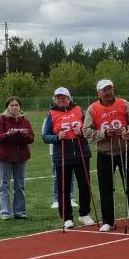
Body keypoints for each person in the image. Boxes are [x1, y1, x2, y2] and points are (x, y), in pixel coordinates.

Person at [84, 77, 129, 232]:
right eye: (105, 90)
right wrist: (103, 133)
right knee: (105, 187)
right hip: (104, 153)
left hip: (124, 150)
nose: (109, 92)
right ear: (99, 93)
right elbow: (86, 131)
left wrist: (126, 130)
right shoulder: (92, 108)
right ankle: (108, 220)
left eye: (110, 89)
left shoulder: (123, 103)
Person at [42, 87, 95, 230]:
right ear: (55, 99)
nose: (61, 100)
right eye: (58, 97)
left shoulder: (79, 110)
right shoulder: (51, 114)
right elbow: (45, 136)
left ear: (69, 98)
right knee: (63, 187)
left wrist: (82, 131)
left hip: (81, 153)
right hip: (62, 155)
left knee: (84, 185)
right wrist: (57, 137)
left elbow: (90, 128)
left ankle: (84, 214)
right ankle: (67, 217)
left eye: (63, 97)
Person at [0, 96, 35, 220]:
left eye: (16, 105)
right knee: (4, 185)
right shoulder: (1, 120)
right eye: (12, 105)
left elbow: (32, 138)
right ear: (7, 107)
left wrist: (26, 135)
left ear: (20, 107)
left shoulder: (25, 120)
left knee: (20, 185)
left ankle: (19, 211)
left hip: (21, 156)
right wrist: (7, 134)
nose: (14, 107)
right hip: (4, 157)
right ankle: (5, 212)